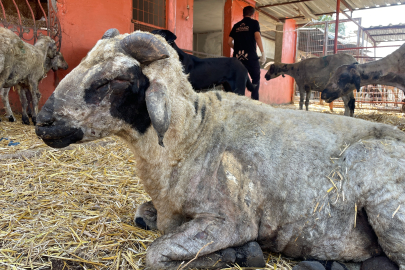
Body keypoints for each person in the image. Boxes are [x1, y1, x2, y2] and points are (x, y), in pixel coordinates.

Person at [228, 6, 266, 101]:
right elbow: (257, 37)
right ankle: (254, 102)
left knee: (238, 80)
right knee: (256, 78)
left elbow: (229, 42)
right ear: (253, 14)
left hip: (237, 59)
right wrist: (263, 53)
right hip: (251, 58)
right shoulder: (254, 23)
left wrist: (236, 48)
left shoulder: (236, 25)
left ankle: (238, 102)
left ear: (243, 14)